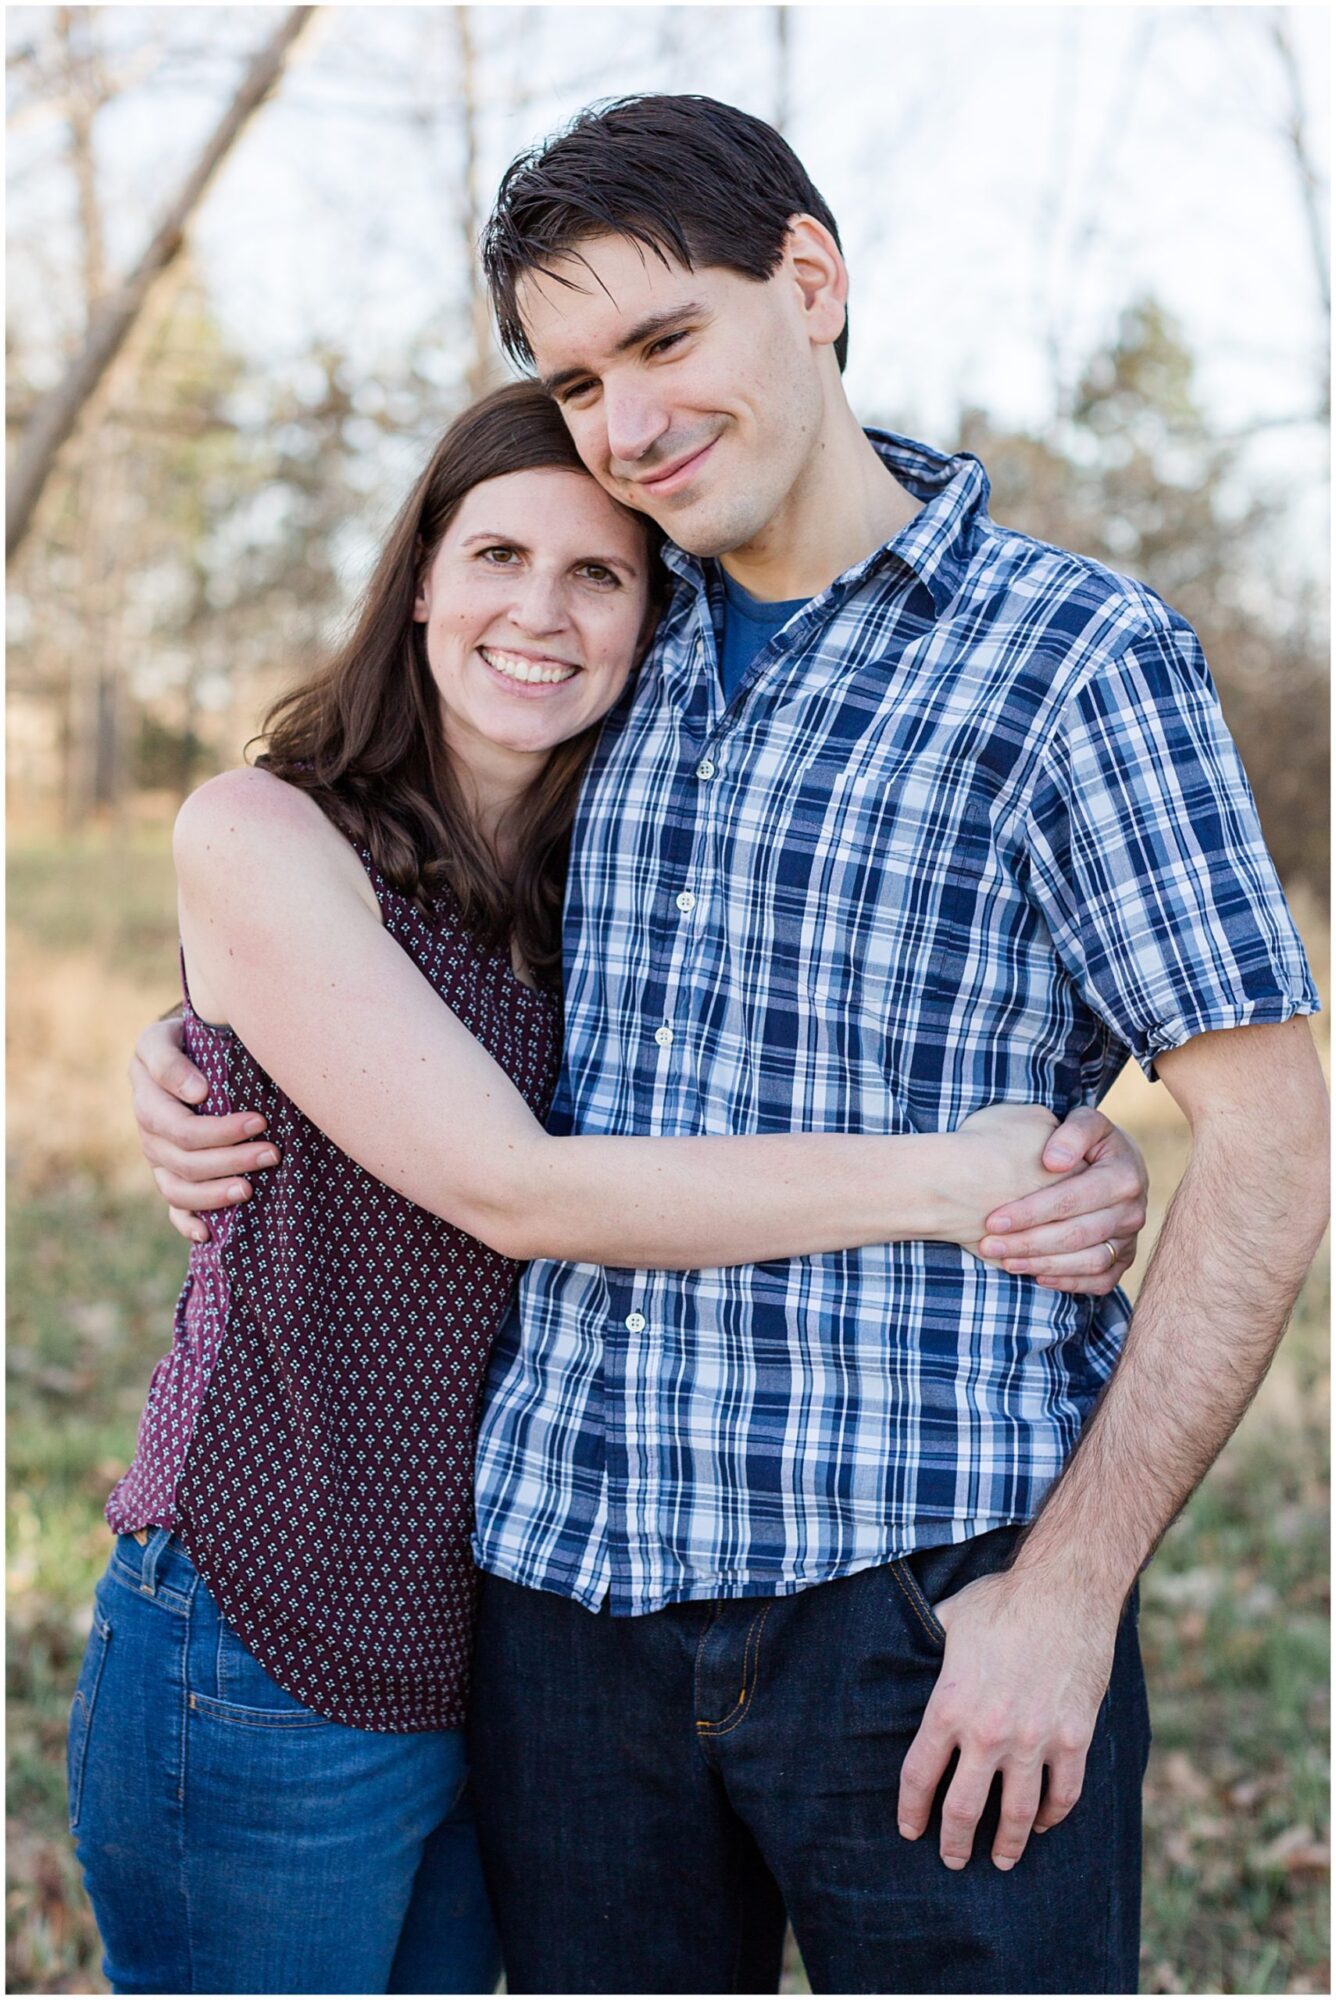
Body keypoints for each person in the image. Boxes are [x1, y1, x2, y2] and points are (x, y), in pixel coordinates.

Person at [124, 95, 1326, 1996]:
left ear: (814, 282)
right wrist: (192, 1055)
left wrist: (1072, 1594)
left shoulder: (1075, 659)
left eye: (666, 339)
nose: (628, 421)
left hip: (917, 1603)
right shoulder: (606, 631)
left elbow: (1275, 1132)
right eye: (578, 376)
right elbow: (383, 900)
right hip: (564, 1601)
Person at [78, 384, 1140, 2000]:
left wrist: (1075, 1142)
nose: (540, 611)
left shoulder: (608, 877)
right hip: (266, 1623)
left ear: (656, 616)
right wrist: (956, 1180)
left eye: (600, 576)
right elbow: (517, 1186)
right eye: (497, 553)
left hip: (512, 1639)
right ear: (421, 577)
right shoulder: (262, 830)